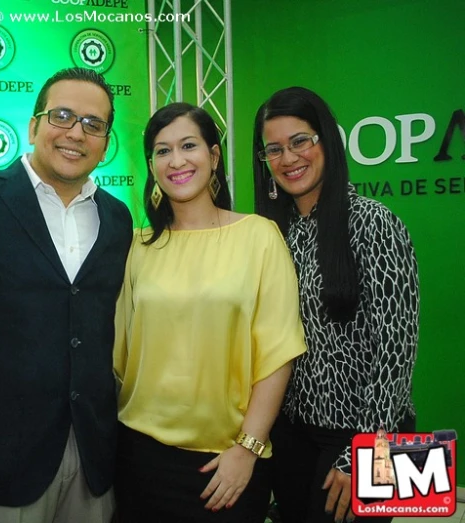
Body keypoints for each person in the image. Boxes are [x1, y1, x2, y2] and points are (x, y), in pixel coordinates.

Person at [113, 102, 307, 523]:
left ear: (214, 156)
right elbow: (120, 355)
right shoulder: (136, 245)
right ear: (151, 164)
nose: (176, 161)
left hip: (227, 462)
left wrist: (248, 448)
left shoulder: (258, 236)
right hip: (140, 457)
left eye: (188, 146)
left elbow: (278, 352)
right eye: (162, 151)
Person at [0, 67, 133, 523]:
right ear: (34, 125)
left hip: (93, 456)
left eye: (93, 124)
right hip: (3, 457)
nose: (77, 133)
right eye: (62, 116)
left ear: (106, 140)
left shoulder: (117, 219)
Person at [252, 87, 420, 523]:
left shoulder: (374, 223)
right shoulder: (270, 235)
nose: (289, 158)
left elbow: (395, 353)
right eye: (274, 148)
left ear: (327, 140)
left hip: (361, 438)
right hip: (288, 436)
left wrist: (365, 453)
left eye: (300, 141)